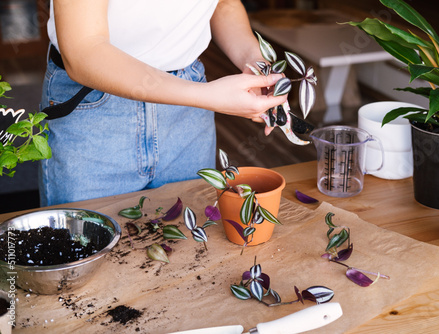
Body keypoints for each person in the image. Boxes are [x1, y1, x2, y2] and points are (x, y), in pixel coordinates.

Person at [40, 0, 287, 206]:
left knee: (192, 249)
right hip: (94, 109)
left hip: (187, 114)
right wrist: (207, 96)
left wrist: (255, 61)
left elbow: (223, 4)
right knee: (87, 251)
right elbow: (84, 50)